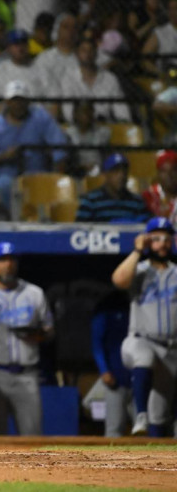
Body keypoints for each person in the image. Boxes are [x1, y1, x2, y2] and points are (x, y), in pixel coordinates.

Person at [0, 242, 54, 435]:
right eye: (1, 260)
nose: (7, 264)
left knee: (32, 437)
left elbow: (49, 331)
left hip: (27, 374)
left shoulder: (34, 293)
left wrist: (38, 335)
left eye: (11, 259)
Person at [112, 217, 177, 437]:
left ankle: (155, 454)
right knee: (144, 357)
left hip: (171, 349)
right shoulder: (138, 269)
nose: (162, 244)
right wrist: (138, 250)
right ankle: (140, 413)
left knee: (159, 414)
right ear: (148, 241)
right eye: (156, 239)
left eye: (167, 239)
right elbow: (119, 280)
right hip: (140, 340)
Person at [0, 80, 67, 211]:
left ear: (28, 102)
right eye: (14, 101)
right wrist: (3, 156)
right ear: (7, 102)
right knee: (4, 185)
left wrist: (58, 166)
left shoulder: (41, 118)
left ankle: (41, 216)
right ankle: (15, 215)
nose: (18, 105)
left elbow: (58, 145)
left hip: (37, 171)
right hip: (7, 173)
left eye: (21, 100)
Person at [91, 290, 133, 437]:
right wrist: (104, 370)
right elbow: (97, 345)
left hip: (139, 376)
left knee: (145, 428)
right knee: (114, 429)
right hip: (115, 377)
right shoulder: (105, 312)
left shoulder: (139, 310)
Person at [60, 37, 131, 123]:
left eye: (91, 50)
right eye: (83, 50)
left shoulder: (110, 78)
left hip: (105, 126)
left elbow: (122, 111)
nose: (87, 54)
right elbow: (68, 113)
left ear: (96, 53)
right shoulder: (68, 79)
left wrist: (123, 124)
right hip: (78, 127)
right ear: (77, 54)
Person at [76, 154, 150, 223]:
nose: (121, 175)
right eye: (116, 171)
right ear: (105, 174)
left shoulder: (137, 203)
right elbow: (79, 229)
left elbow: (145, 228)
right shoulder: (90, 201)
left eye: (124, 171)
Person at [0, 29, 46, 99]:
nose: (20, 48)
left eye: (23, 43)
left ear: (28, 46)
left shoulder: (41, 69)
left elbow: (51, 98)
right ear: (8, 48)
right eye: (16, 44)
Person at [32, 12, 78, 96]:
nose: (71, 31)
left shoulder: (86, 58)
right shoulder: (44, 59)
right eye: (66, 27)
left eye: (74, 27)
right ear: (57, 30)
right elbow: (44, 87)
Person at [63, 100, 110, 177]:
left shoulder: (103, 133)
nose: (86, 114)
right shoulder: (68, 134)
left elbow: (107, 157)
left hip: (99, 173)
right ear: (75, 114)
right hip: (76, 174)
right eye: (82, 111)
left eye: (89, 111)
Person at [142, 0, 177, 76]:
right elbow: (144, 58)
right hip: (169, 75)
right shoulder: (160, 32)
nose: (172, 12)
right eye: (170, 9)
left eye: (176, 8)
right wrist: (160, 74)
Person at [143, 150, 177, 224]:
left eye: (173, 170)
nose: (169, 175)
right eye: (164, 171)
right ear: (158, 174)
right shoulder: (148, 197)